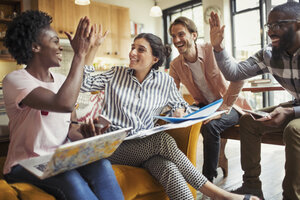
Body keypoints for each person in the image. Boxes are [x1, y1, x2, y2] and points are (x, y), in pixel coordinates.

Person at [80, 32, 259, 200]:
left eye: (140, 49)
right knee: (162, 141)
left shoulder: (164, 82)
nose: (132, 53)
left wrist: (180, 110)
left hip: (144, 148)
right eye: (132, 47)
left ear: (155, 59)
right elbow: (83, 84)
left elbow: (179, 104)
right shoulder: (116, 73)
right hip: (114, 148)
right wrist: (92, 49)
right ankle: (221, 196)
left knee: (168, 168)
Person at [2, 10, 123, 200]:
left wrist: (86, 134)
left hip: (60, 159)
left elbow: (71, 128)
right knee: (70, 178)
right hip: (25, 164)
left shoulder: (61, 81)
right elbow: (63, 104)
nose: (60, 48)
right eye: (55, 41)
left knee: (102, 165)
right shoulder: (15, 80)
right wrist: (80, 54)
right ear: (35, 47)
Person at [209, 2, 300, 199]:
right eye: (269, 26)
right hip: (296, 105)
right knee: (249, 121)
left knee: (294, 128)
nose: (271, 31)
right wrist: (218, 48)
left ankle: (292, 196)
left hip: (296, 111)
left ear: (297, 25)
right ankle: (251, 186)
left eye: (278, 25)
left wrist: (291, 112)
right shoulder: (270, 54)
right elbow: (235, 73)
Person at [168, 16, 251, 183]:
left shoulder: (212, 50)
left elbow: (239, 77)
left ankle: (207, 180)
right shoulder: (175, 65)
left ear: (194, 35)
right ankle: (181, 174)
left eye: (181, 34)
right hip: (204, 106)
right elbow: (170, 92)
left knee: (211, 126)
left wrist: (225, 107)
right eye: (173, 36)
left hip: (230, 105)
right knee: (177, 122)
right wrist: (177, 107)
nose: (176, 40)